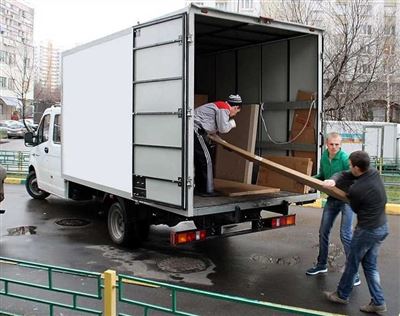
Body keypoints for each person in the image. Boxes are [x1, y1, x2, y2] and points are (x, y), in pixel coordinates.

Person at [323, 151, 388, 315]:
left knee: (352, 262)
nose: (349, 167)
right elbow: (345, 174)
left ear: (357, 168)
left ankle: (341, 294)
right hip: (382, 227)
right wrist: (334, 180)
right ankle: (379, 303)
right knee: (370, 266)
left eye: (351, 165)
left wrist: (348, 189)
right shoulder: (373, 173)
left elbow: (355, 208)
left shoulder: (357, 190)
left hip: (367, 230)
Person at [306, 132, 359, 285]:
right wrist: (309, 181)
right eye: (331, 144)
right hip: (332, 199)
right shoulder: (324, 157)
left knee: (346, 235)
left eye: (337, 144)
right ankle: (321, 265)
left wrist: (338, 181)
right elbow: (322, 175)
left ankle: (353, 273)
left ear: (340, 145)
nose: (334, 147)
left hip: (346, 200)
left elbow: (350, 174)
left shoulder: (344, 158)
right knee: (323, 231)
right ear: (326, 144)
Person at [193, 94, 242, 196]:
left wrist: (223, 143)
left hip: (195, 130)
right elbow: (223, 129)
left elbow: (212, 133)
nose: (233, 115)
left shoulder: (219, 107)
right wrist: (232, 124)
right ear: (236, 107)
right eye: (236, 112)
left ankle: (200, 188)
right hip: (196, 130)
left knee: (201, 160)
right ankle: (206, 190)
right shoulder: (223, 107)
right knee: (206, 160)